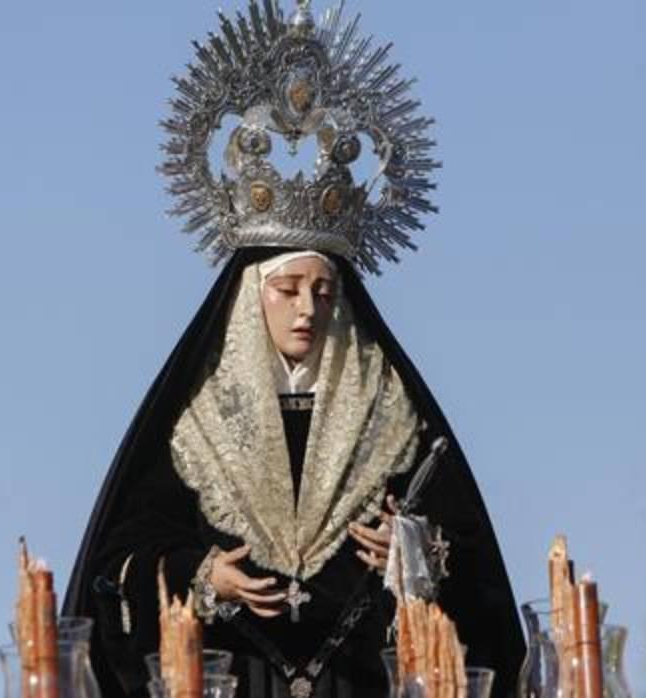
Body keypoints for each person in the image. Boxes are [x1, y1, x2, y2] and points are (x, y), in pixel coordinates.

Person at [63, 3, 524, 696]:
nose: (307, 308)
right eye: (287, 290)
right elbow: (118, 563)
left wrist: (414, 554)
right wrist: (200, 574)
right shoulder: (194, 422)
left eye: (323, 292)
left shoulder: (392, 420)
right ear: (252, 301)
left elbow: (477, 590)